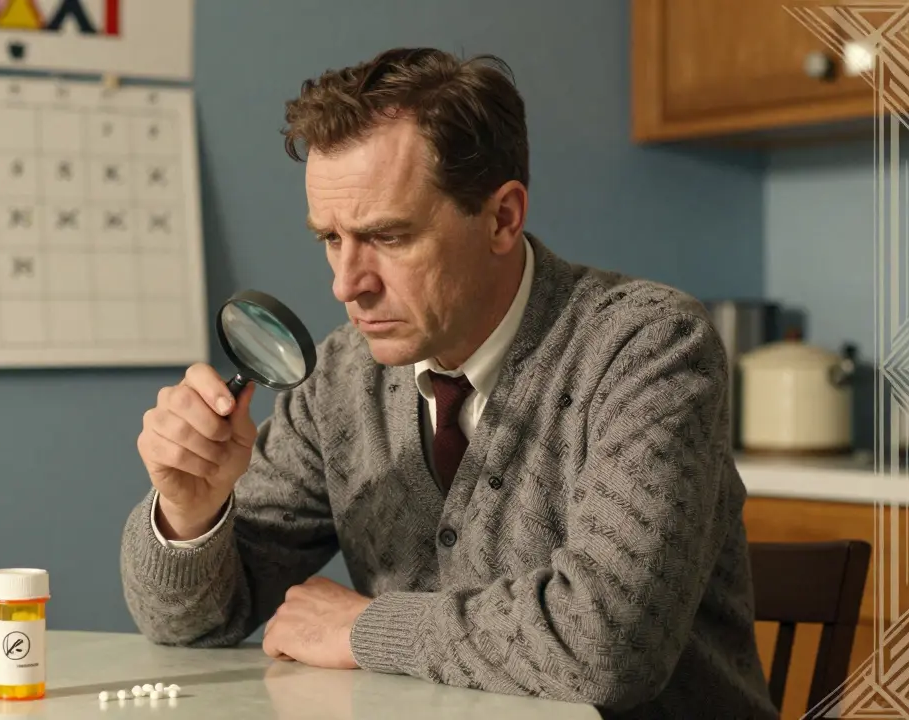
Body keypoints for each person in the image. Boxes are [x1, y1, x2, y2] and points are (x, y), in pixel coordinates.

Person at [120, 47, 777, 719]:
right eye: (330, 238)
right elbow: (191, 623)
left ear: (501, 218)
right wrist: (189, 515)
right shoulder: (343, 380)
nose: (347, 284)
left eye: (388, 237)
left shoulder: (646, 346)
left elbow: (607, 647)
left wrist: (363, 630)